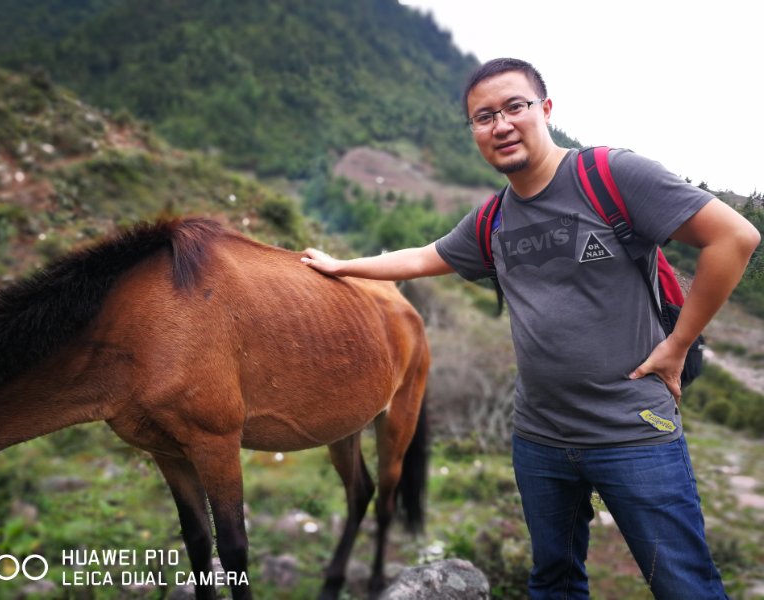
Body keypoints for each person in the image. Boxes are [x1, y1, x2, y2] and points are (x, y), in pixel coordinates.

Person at [302, 57, 760, 599]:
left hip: (633, 432)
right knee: (553, 582)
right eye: (483, 116)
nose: (500, 124)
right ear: (474, 131)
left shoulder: (611, 175)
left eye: (514, 107)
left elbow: (734, 237)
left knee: (685, 586)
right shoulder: (493, 219)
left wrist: (679, 343)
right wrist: (342, 266)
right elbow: (424, 256)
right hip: (540, 438)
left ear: (545, 110)